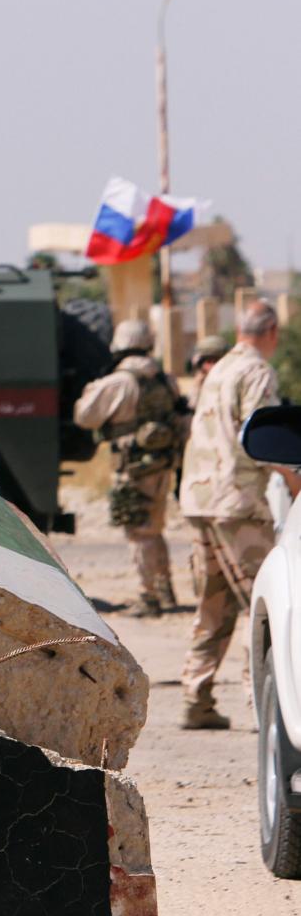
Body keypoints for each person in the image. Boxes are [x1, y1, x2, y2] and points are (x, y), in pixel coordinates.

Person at [178, 301, 301, 730]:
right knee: (263, 601)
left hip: (199, 499)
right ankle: (263, 706)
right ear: (270, 332)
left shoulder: (219, 370)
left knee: (211, 605)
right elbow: (262, 434)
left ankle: (196, 697)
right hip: (238, 504)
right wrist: (293, 479)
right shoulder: (257, 372)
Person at [73, 318, 185, 617]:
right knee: (155, 528)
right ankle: (165, 591)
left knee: (138, 532)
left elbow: (85, 417)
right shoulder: (165, 379)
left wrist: (90, 389)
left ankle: (148, 597)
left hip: (133, 468)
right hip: (164, 464)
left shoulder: (117, 382)